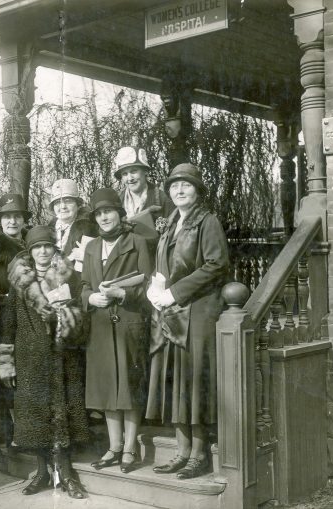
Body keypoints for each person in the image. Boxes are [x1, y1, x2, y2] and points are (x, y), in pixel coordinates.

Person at [145, 163, 229, 480]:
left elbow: (215, 265)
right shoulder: (171, 226)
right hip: (174, 315)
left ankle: (199, 454)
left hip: (198, 314)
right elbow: (164, 266)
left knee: (194, 384)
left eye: (187, 185)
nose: (180, 190)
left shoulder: (207, 222)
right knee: (177, 382)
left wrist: (175, 292)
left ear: (198, 191)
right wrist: (157, 286)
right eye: (175, 186)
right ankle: (181, 451)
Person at [0, 225, 89, 499]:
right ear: (30, 252)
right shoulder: (19, 282)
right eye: (37, 247)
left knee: (63, 414)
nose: (43, 251)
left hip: (62, 357)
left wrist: (62, 318)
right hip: (29, 359)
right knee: (35, 418)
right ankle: (41, 471)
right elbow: (8, 324)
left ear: (54, 248)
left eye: (47, 246)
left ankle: (66, 472)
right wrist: (7, 363)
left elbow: (80, 319)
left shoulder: (68, 276)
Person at [81, 189, 153, 474]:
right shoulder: (91, 247)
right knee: (108, 387)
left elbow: (148, 285)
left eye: (109, 211)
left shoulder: (136, 242)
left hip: (128, 321)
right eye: (99, 213)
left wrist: (123, 294)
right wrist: (89, 298)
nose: (105, 217)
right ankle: (113, 447)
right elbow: (83, 285)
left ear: (120, 214)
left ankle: (130, 448)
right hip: (99, 324)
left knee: (129, 385)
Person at [0, 193, 31, 446]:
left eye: (17, 216)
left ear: (24, 220)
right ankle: (10, 434)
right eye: (7, 217)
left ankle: (28, 429)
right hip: (2, 320)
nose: (12, 221)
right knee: (6, 374)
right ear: (0, 222)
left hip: (31, 319)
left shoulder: (32, 244)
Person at [113, 146, 174, 226]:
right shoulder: (117, 201)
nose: (130, 178)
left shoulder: (161, 198)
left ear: (145, 171)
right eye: (125, 174)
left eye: (134, 171)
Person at [47, 178, 97, 269]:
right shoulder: (49, 229)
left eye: (68, 201)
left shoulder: (88, 230)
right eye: (58, 202)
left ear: (78, 205)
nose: (63, 207)